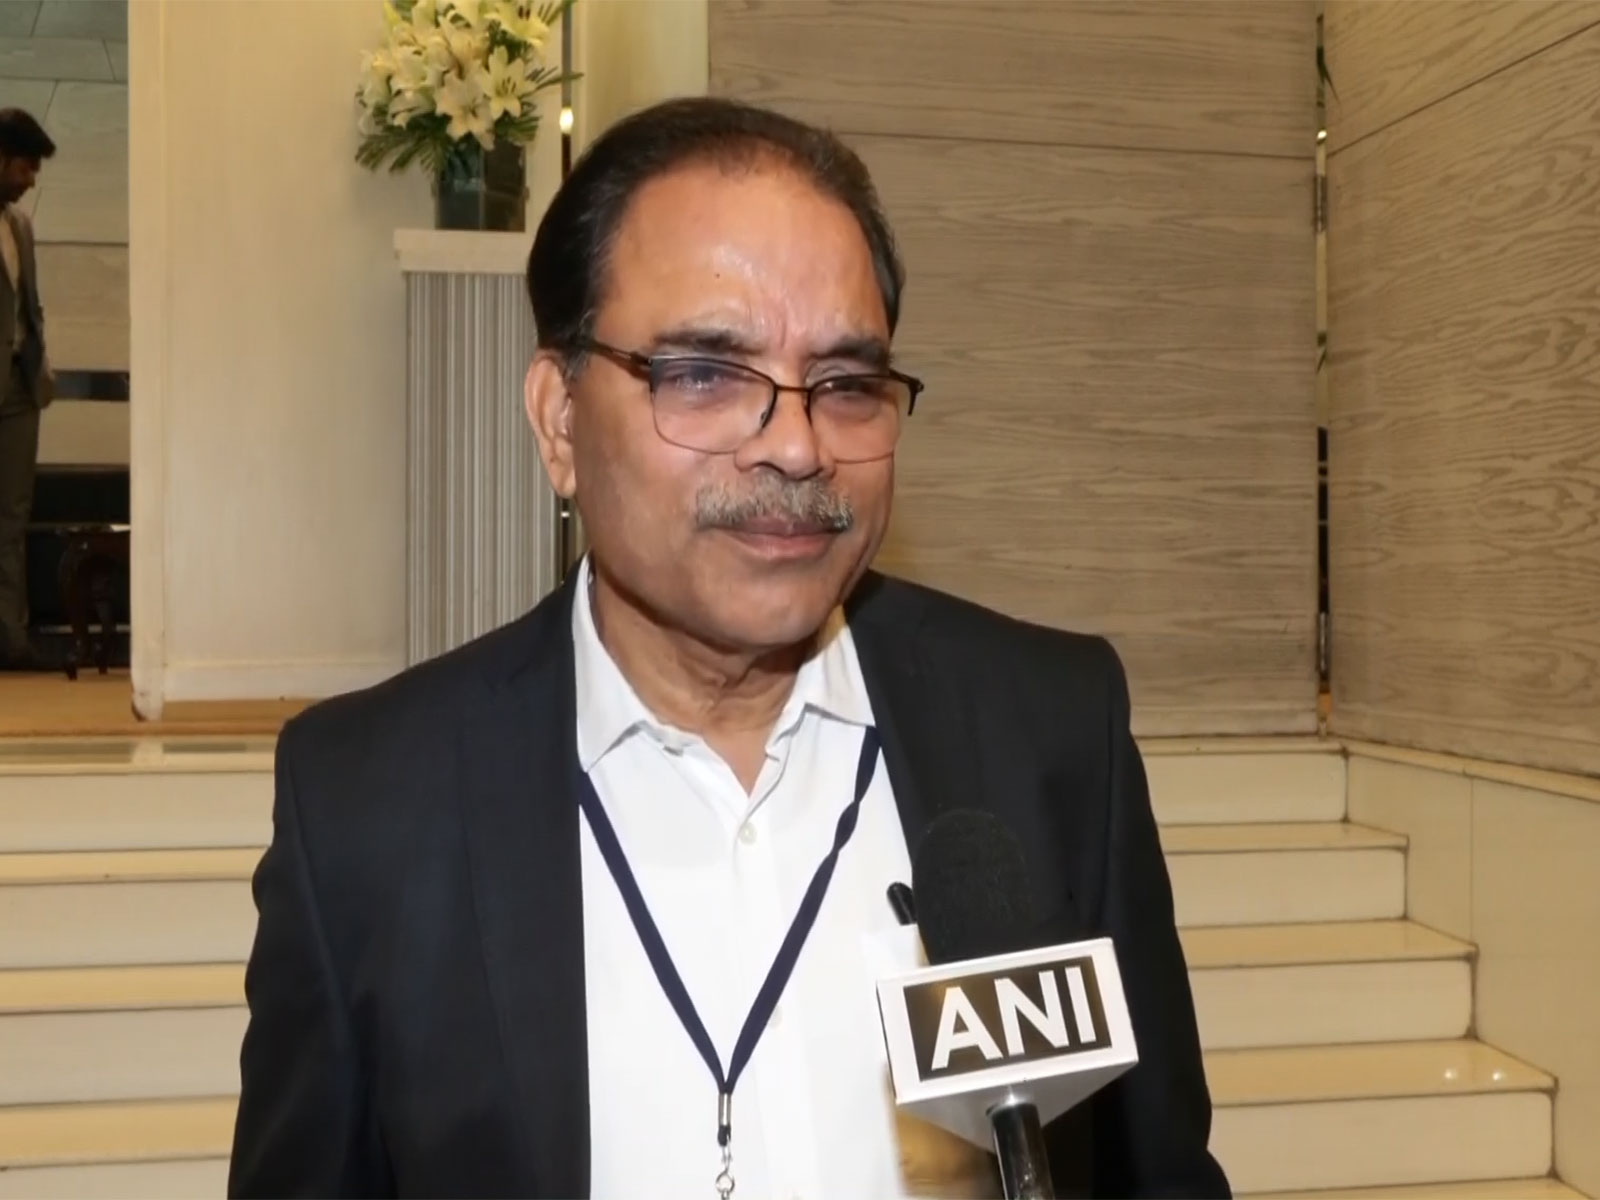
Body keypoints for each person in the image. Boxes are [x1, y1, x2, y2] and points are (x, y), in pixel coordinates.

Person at [230, 96, 1229, 1199]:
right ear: (559, 420)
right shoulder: (370, 807)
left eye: (846, 384)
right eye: (705, 374)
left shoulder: (1048, 733)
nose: (797, 446)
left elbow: (1154, 1172)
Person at [0, 108, 55, 672]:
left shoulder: (20, 226)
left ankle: (11, 637)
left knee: (13, 515)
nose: (31, 180)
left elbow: (30, 306)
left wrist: (42, 371)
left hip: (19, 387)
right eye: (25, 167)